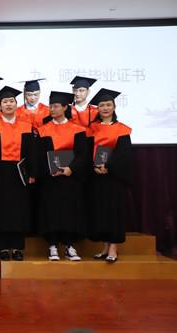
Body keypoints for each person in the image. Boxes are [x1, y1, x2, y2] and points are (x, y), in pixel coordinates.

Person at [0, 86, 36, 261]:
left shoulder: (26, 126)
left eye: (11, 101)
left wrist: (31, 172)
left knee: (19, 210)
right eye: (5, 101)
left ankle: (17, 248)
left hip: (20, 172)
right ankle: (1, 247)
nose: (8, 104)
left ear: (16, 104)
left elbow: (31, 152)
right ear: (0, 105)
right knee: (1, 209)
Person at [36, 91, 87, 261]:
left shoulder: (78, 130)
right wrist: (48, 169)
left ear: (65, 108)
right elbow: (39, 155)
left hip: (70, 180)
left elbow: (83, 155)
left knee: (69, 211)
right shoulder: (43, 130)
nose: (52, 109)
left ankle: (70, 246)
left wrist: (71, 169)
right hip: (50, 180)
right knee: (51, 211)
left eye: (56, 106)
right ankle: (52, 246)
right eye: (50, 106)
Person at [86, 89, 133, 263]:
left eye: (108, 105)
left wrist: (109, 167)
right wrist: (94, 167)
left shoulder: (122, 130)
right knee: (101, 212)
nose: (105, 108)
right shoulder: (92, 129)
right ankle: (105, 246)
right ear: (97, 108)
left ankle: (114, 247)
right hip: (97, 177)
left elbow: (124, 155)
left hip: (114, 178)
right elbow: (87, 152)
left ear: (114, 107)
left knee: (114, 212)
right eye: (102, 105)